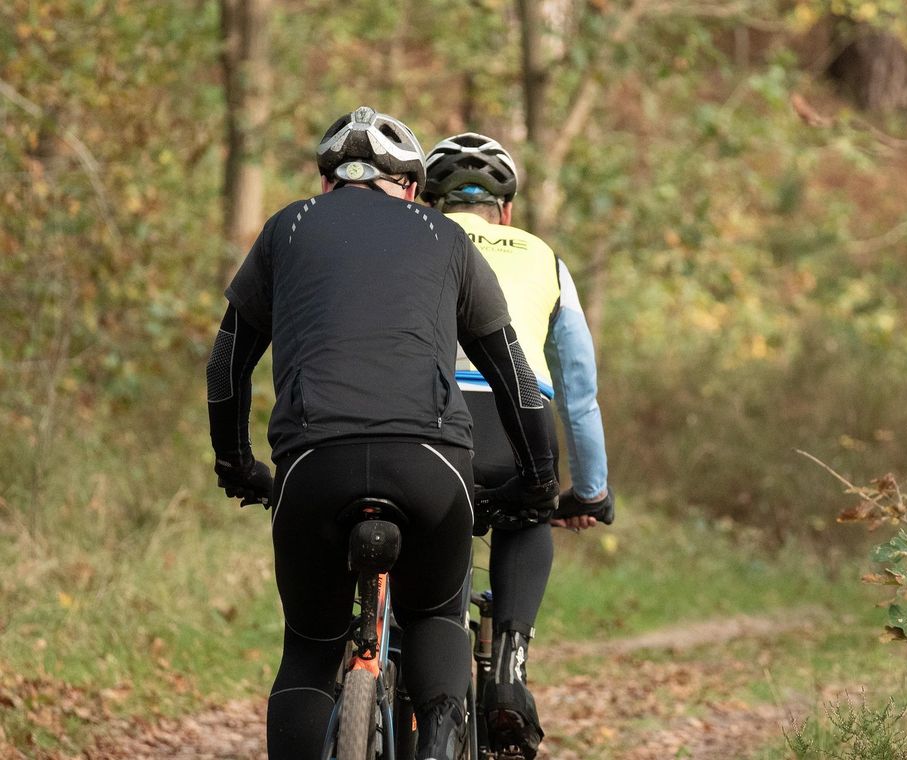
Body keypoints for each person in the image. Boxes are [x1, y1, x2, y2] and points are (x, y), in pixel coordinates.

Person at [205, 107, 559, 760]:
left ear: (326, 184)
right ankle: (442, 744)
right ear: (413, 189)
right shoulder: (446, 239)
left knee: (310, 650)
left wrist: (236, 463)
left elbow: (227, 363)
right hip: (430, 461)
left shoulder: (287, 228)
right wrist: (539, 478)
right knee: (434, 613)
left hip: (315, 461)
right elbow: (515, 377)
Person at [421, 132, 613, 760]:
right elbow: (579, 394)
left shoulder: (411, 241)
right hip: (512, 429)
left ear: (428, 199)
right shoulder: (544, 258)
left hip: (424, 429)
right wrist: (589, 491)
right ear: (505, 211)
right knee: (529, 511)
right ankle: (509, 668)